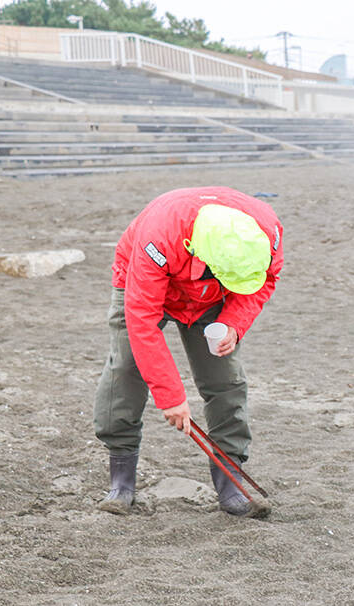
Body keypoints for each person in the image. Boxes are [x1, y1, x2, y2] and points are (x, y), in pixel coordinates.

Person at [94, 187, 283, 517]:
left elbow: (264, 279)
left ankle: (230, 483)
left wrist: (233, 323)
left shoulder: (267, 234)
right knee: (126, 370)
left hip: (211, 294)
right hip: (145, 280)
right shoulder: (160, 237)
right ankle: (121, 479)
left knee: (226, 380)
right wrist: (170, 396)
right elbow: (142, 322)